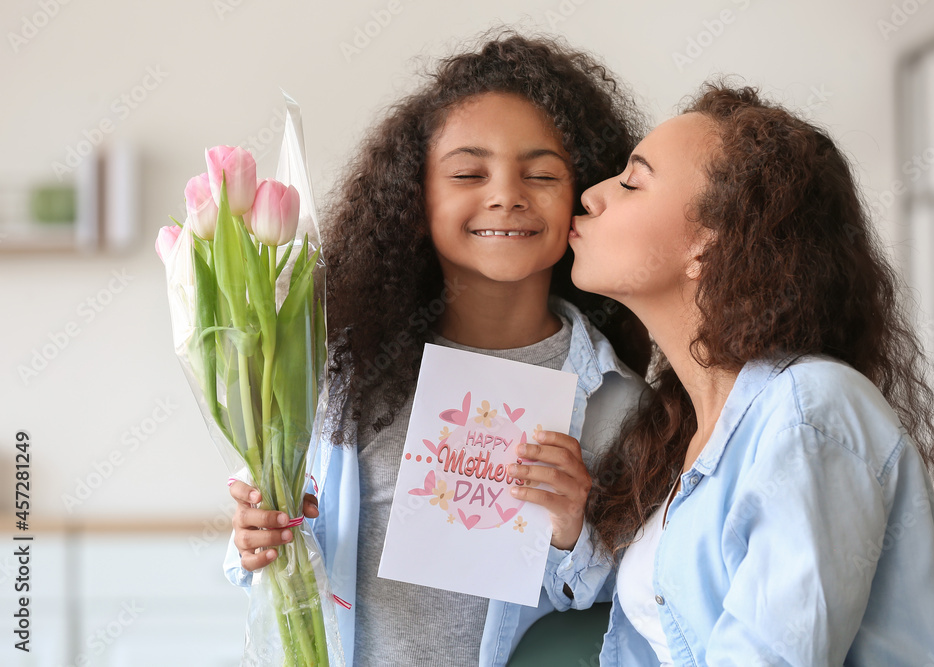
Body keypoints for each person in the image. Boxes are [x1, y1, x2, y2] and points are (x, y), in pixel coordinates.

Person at [223, 31, 652, 667]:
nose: (506, 194)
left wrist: (570, 531)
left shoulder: (618, 401)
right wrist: (254, 535)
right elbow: (271, 536)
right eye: (467, 173)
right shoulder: (338, 373)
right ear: (415, 198)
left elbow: (639, 606)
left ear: (585, 197)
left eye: (541, 173)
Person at [553, 83, 934, 665]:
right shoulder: (685, 431)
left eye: (632, 182)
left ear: (708, 243)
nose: (590, 196)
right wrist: (572, 529)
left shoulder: (809, 408)